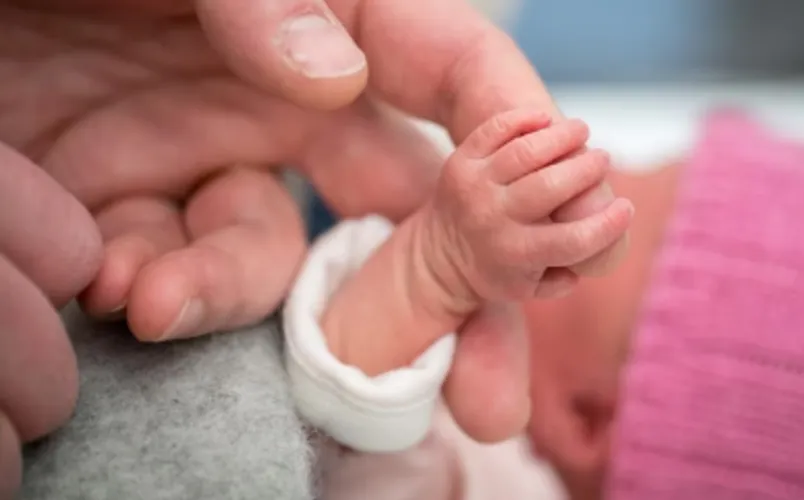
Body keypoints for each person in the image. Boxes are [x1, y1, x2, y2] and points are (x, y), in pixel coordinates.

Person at [0, 0, 629, 496]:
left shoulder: (500, 482)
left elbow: (343, 406)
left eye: (602, 223)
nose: (604, 171)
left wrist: (441, 268)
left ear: (589, 419)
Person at [285, 110, 804, 499]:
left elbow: (341, 450)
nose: (591, 171)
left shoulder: (482, 478)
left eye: (572, 244)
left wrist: (436, 269)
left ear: (590, 421)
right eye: (628, 165)